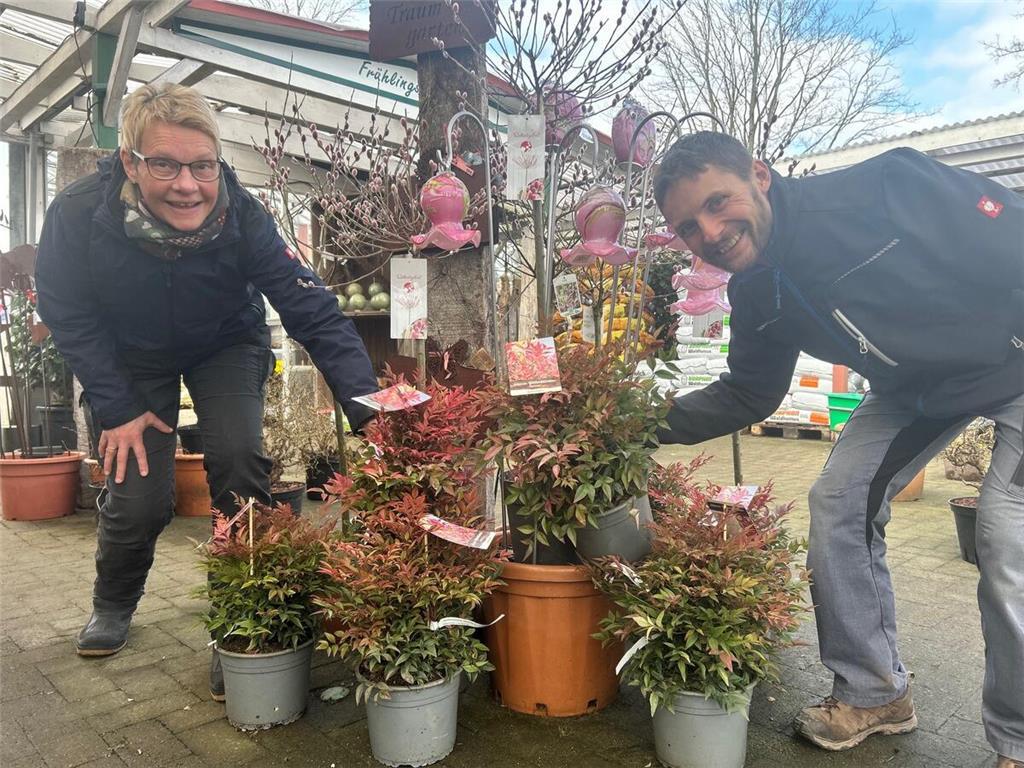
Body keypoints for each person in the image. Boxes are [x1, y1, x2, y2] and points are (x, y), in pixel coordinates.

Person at [653, 131, 1022, 766]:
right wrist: (630, 422)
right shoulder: (755, 292)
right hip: (915, 389)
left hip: (1015, 363)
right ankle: (875, 691)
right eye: (688, 226)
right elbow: (747, 395)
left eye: (718, 202)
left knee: (1006, 531)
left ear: (759, 176)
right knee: (839, 500)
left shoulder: (885, 189)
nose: (709, 232)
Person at [35, 83, 378, 699]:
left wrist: (374, 418)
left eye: (203, 165)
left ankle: (238, 623)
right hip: (129, 356)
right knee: (139, 496)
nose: (187, 184)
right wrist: (116, 406)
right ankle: (114, 601)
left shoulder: (243, 216)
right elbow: (68, 312)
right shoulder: (78, 213)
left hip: (225, 344)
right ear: (130, 163)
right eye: (164, 164)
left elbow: (312, 312)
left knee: (240, 462)